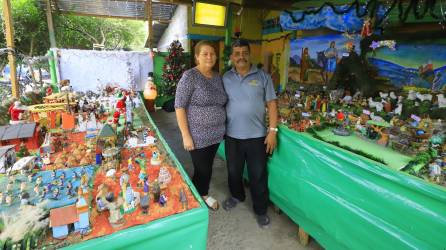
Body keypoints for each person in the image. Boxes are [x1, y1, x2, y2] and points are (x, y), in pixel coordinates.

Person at [222, 39, 278, 228]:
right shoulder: (225, 78)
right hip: (232, 136)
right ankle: (237, 196)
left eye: (244, 53)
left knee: (258, 174)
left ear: (250, 54)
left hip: (257, 137)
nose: (241, 57)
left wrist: (272, 131)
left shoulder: (263, 77)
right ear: (231, 57)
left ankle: (261, 210)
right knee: (233, 172)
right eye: (237, 54)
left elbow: (272, 104)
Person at [175, 40, 228, 210]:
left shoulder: (218, 76)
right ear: (197, 57)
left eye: (212, 53)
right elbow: (179, 106)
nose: (209, 56)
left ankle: (195, 192)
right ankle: (201, 195)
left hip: (216, 134)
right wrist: (185, 135)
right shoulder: (190, 76)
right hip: (197, 135)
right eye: (205, 53)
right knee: (203, 168)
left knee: (206, 166)